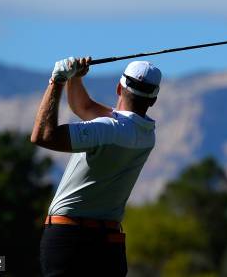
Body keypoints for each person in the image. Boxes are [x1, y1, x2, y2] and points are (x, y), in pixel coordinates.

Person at [31, 56, 161, 276]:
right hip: (108, 243)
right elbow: (84, 107)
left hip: (69, 237)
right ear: (153, 100)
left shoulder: (108, 129)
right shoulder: (146, 135)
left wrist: (57, 81)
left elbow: (43, 136)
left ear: (119, 88)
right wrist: (76, 79)